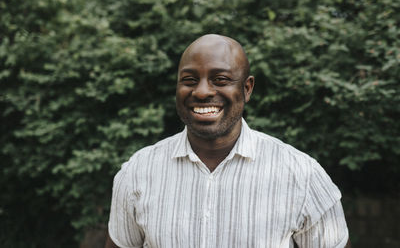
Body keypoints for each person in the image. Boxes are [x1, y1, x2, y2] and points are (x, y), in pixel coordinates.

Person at [105, 34, 350, 248]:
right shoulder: (138, 172)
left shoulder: (302, 175)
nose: (201, 92)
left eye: (220, 80)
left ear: (247, 88)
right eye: (189, 80)